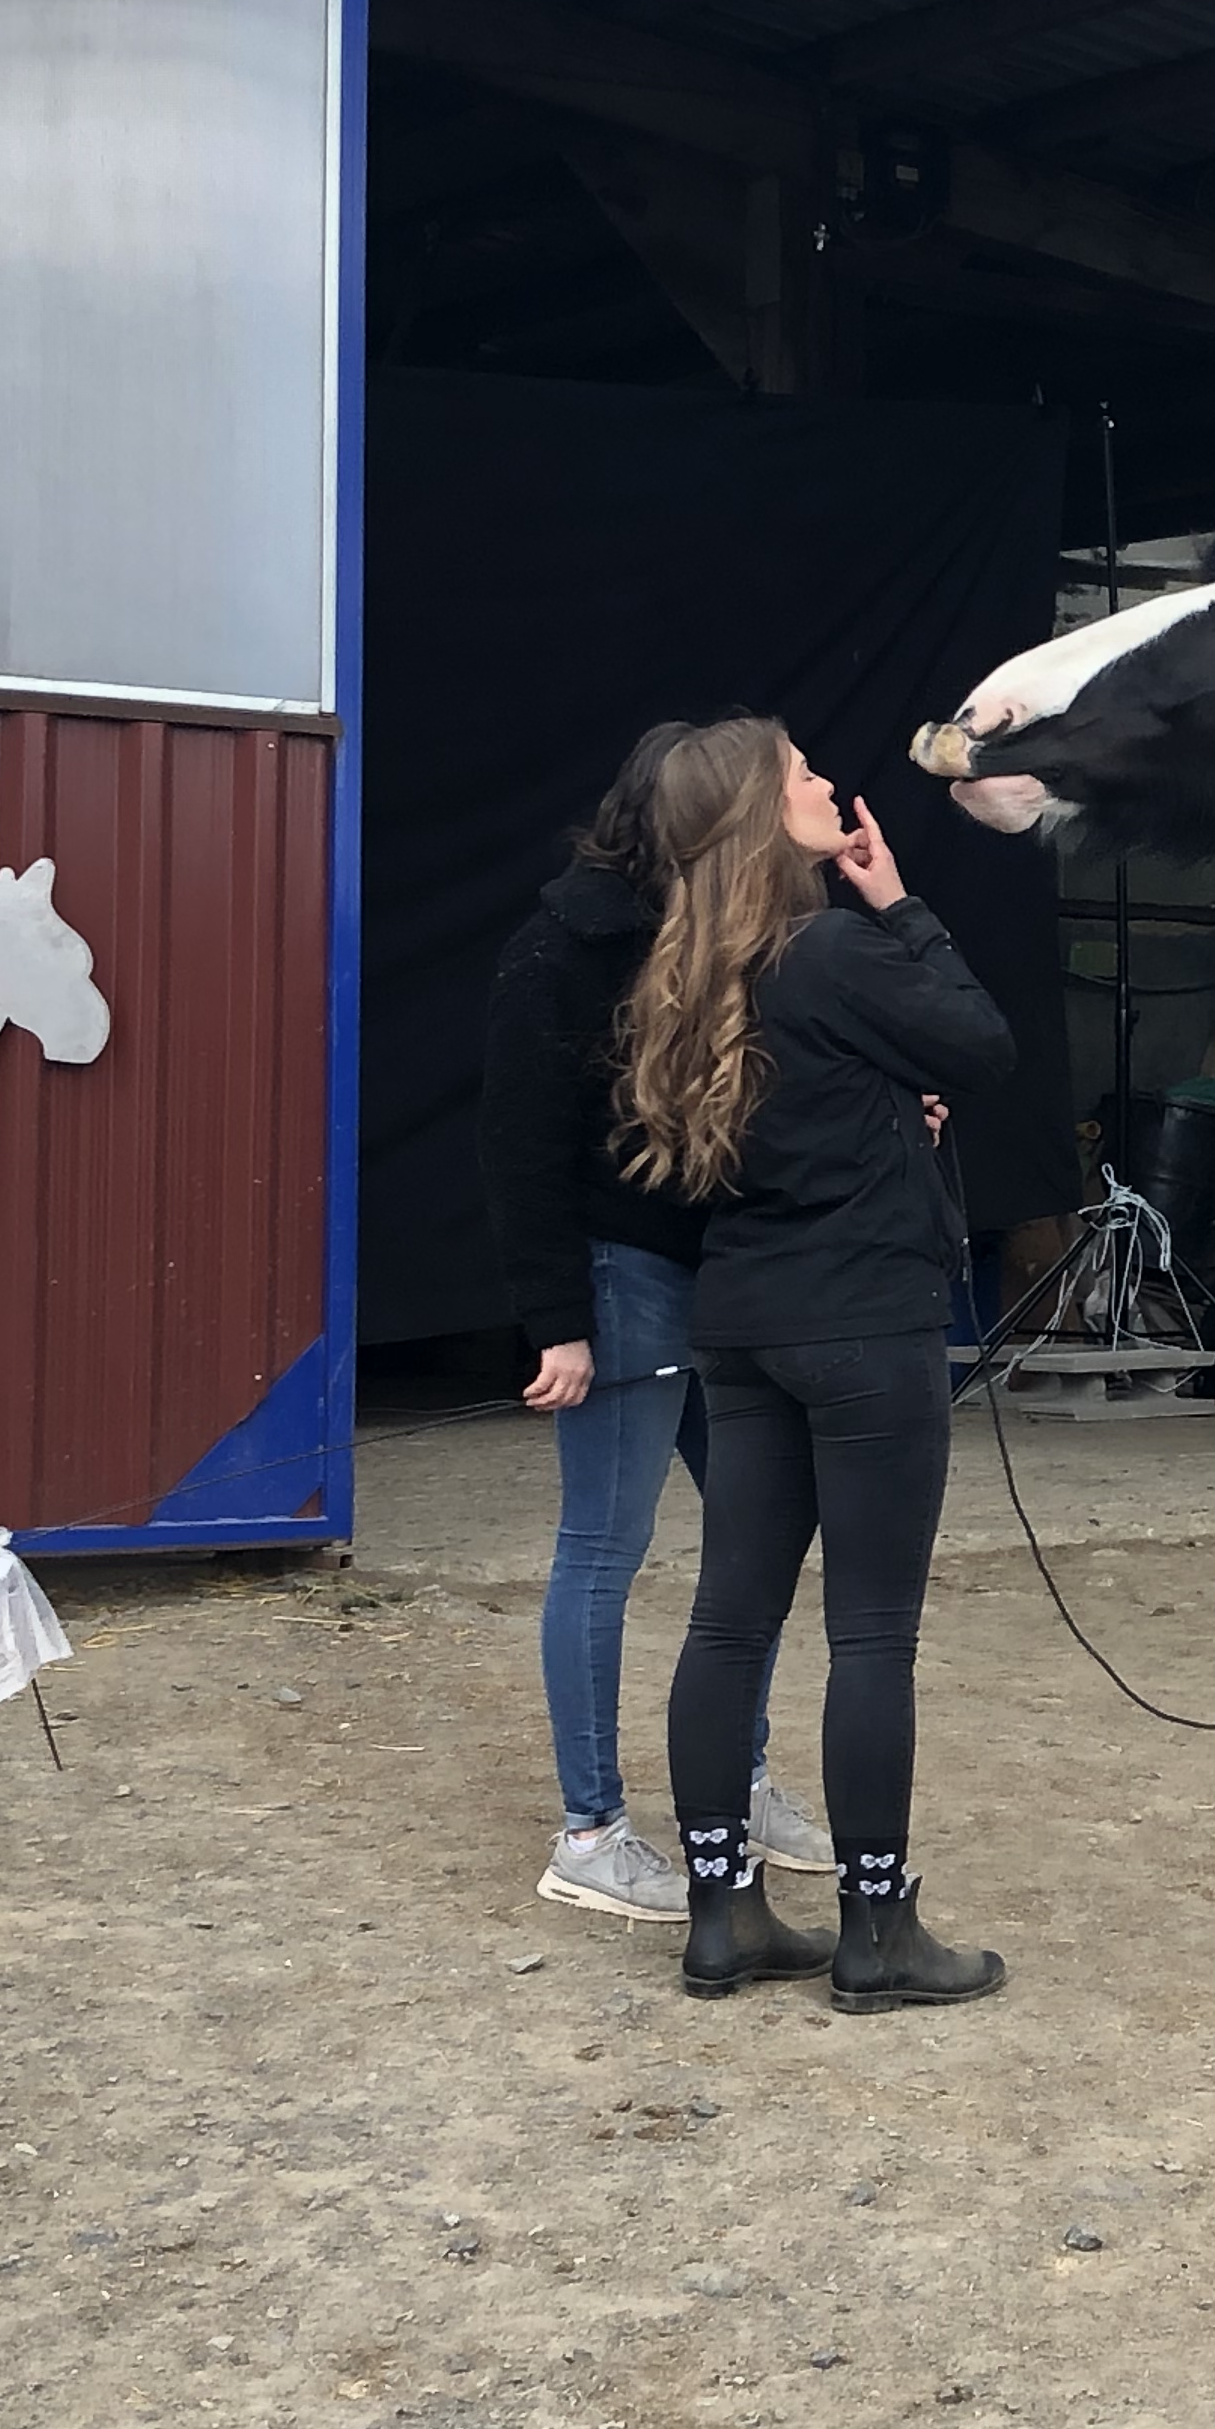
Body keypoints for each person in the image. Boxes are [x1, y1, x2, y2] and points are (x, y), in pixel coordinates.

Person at [619, 717, 1016, 2010]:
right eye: (800, 774)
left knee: (729, 1618)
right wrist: (900, 903)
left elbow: (843, 1094)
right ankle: (877, 1926)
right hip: (865, 1327)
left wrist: (895, 1109)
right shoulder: (837, 948)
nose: (829, 785)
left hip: (744, 1327)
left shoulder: (691, 975)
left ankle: (722, 1908)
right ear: (754, 815)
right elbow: (984, 1042)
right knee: (873, 1632)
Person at [480, 727, 834, 1922]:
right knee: (603, 1550)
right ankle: (589, 1830)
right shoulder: (563, 951)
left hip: (716, 1280)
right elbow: (520, 1156)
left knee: (755, 1534)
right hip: (621, 1280)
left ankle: (742, 1779)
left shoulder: (734, 938)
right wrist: (557, 1325)